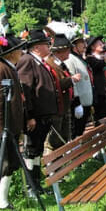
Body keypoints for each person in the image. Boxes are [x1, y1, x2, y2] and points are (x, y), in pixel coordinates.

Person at [17, 29, 59, 196]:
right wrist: (30, 116)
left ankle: (37, 185)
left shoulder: (39, 61)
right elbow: (25, 92)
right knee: (31, 151)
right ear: (36, 47)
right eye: (45, 44)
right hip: (35, 117)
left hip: (44, 116)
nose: (49, 46)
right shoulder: (28, 61)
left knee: (37, 151)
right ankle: (31, 187)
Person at [0, 34, 26, 209]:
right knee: (5, 162)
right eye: (19, 49)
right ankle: (2, 200)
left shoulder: (10, 67)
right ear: (11, 52)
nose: (22, 52)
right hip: (4, 127)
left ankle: (4, 198)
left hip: (11, 125)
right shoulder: (2, 69)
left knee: (10, 163)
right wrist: (4, 128)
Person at [45, 34, 81, 151]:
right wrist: (72, 79)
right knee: (54, 140)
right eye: (67, 51)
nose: (69, 54)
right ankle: (52, 166)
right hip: (56, 108)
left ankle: (62, 165)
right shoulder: (50, 64)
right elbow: (56, 84)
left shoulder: (61, 64)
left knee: (64, 137)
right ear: (60, 51)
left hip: (65, 106)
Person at [65, 33, 94, 138]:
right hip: (79, 102)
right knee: (75, 131)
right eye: (81, 42)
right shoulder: (70, 59)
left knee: (80, 130)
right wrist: (77, 103)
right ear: (74, 46)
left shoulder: (80, 58)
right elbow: (73, 82)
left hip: (85, 101)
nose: (85, 45)